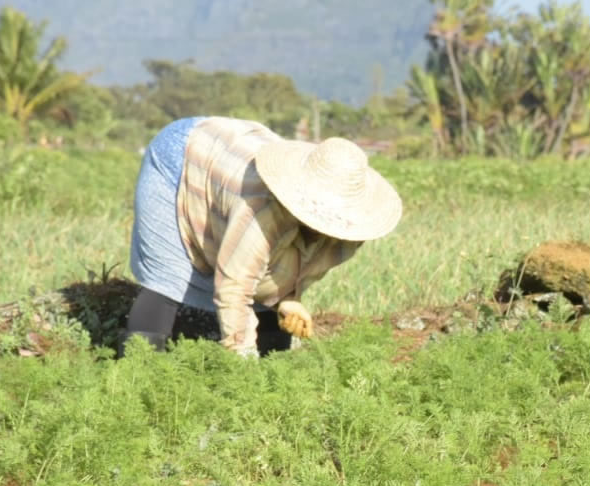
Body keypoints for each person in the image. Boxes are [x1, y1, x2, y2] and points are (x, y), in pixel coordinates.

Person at [121, 117, 402, 357]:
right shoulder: (261, 207)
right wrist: (242, 366)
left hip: (233, 148)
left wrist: (289, 299)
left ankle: (270, 369)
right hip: (183, 157)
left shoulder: (347, 234)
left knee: (264, 303)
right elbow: (235, 286)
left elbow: (291, 265)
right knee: (168, 281)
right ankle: (138, 374)